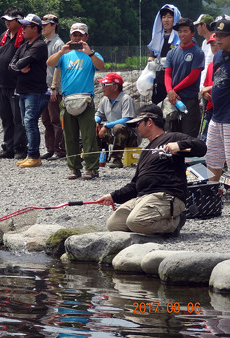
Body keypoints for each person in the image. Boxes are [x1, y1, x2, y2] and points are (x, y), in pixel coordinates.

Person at [97, 104, 207, 236]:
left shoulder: (173, 137)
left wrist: (179, 145)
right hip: (142, 198)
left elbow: (201, 147)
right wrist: (113, 196)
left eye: (137, 123)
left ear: (149, 122)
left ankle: (175, 222)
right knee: (113, 224)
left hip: (166, 196)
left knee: (135, 222)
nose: (135, 128)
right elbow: (135, 185)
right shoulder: (145, 152)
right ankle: (147, 223)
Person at [47, 22, 105, 180]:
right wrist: (61, 52)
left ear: (86, 36)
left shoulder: (92, 54)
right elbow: (49, 63)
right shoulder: (64, 55)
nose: (77, 37)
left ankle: (92, 168)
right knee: (69, 136)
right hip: (67, 100)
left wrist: (90, 53)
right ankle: (74, 168)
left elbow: (101, 66)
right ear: (70, 36)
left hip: (86, 99)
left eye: (80, 34)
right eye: (74, 34)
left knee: (88, 136)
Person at [9, 14, 48, 168]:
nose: (22, 29)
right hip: (23, 90)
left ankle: (34, 156)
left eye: (25, 27)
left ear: (35, 28)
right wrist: (19, 69)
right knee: (26, 123)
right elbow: (12, 65)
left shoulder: (39, 45)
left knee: (30, 122)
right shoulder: (24, 45)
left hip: (35, 91)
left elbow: (20, 63)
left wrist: (18, 67)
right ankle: (31, 154)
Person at [0, 7, 27, 160]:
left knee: (18, 119)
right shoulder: (4, 36)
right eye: (5, 19)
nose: (6, 22)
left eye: (10, 19)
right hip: (3, 83)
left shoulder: (25, 37)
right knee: (6, 117)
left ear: (19, 20)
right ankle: (8, 146)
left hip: (17, 84)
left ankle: (20, 147)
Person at [164, 18, 204, 137]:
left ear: (192, 33)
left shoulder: (197, 53)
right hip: (173, 100)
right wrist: (169, 91)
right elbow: (167, 74)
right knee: (171, 135)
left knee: (188, 137)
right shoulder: (171, 53)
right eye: (180, 31)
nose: (182, 34)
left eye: (185, 31)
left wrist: (174, 90)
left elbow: (193, 76)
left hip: (189, 100)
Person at [205, 16, 230, 182]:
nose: (217, 38)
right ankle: (211, 200)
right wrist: (211, 89)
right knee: (212, 162)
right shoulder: (218, 56)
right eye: (216, 34)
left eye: (222, 35)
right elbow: (219, 79)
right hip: (216, 117)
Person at [95, 72, 138, 169]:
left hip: (130, 137)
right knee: (94, 126)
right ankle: (96, 158)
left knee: (118, 127)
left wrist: (106, 126)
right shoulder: (105, 99)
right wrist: (97, 122)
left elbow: (127, 120)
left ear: (115, 87)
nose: (103, 87)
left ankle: (116, 159)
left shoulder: (126, 99)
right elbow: (98, 114)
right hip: (113, 134)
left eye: (105, 85)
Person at [40, 14, 65, 161]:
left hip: (53, 88)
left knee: (56, 119)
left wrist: (54, 87)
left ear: (54, 25)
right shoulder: (45, 42)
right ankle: (50, 148)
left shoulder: (58, 44)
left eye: (46, 24)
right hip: (44, 87)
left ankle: (59, 149)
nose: (42, 26)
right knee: (46, 120)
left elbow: (58, 68)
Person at [147, 4, 181, 104]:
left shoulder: (180, 38)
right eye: (163, 17)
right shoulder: (158, 37)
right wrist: (151, 64)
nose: (166, 20)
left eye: (170, 17)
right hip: (159, 80)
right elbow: (151, 55)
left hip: (174, 81)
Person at [199, 33, 219, 141]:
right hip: (209, 107)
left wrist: (209, 88)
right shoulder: (211, 65)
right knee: (205, 137)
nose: (214, 48)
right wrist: (205, 93)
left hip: (221, 108)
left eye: (215, 44)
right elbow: (206, 85)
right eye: (211, 45)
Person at [194, 14, 214, 89]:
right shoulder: (204, 43)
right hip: (203, 85)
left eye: (197, 25)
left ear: (204, 25)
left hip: (212, 86)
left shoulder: (217, 43)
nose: (196, 28)